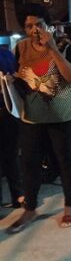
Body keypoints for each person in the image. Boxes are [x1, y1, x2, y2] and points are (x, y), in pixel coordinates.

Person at [7, 3, 71, 233]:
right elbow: (21, 77)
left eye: (39, 24)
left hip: (64, 117)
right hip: (33, 117)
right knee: (29, 163)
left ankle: (69, 205)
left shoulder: (65, 45)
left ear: (48, 25)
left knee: (65, 160)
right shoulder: (20, 48)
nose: (34, 30)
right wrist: (11, 82)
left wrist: (53, 50)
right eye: (29, 26)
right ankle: (30, 208)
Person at [0, 48, 24, 209]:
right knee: (12, 157)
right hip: (12, 109)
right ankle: (18, 196)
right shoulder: (7, 53)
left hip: (4, 109)